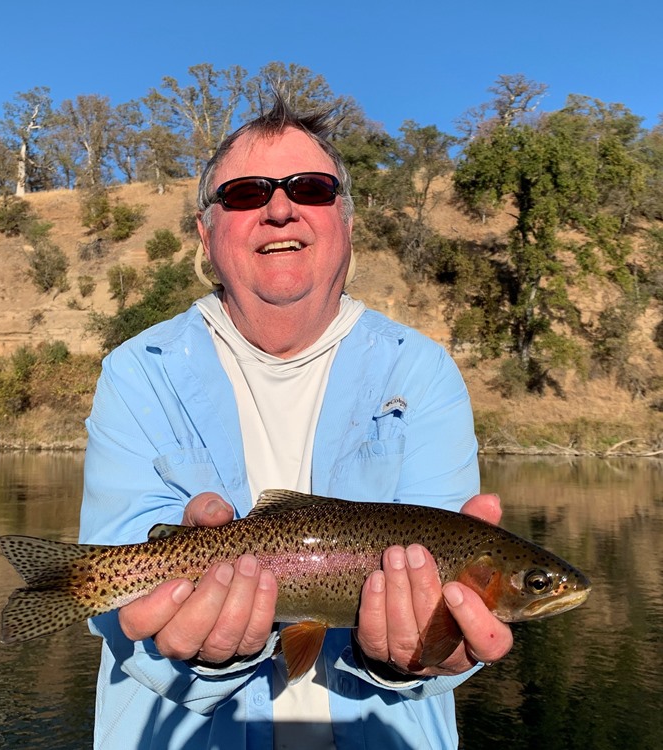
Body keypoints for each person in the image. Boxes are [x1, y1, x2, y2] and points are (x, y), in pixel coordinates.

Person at [79, 94, 513, 750]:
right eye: (247, 193)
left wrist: (419, 655)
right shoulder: (139, 370)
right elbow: (118, 609)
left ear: (346, 218)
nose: (279, 207)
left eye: (310, 188)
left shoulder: (420, 372)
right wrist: (202, 650)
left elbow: (442, 652)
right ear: (206, 231)